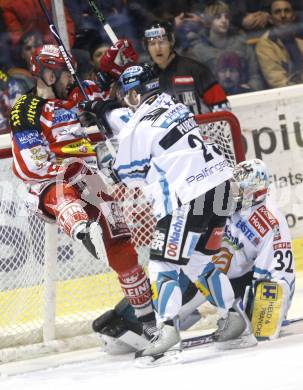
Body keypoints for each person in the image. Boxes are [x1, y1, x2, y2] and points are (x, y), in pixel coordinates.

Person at [81, 64, 257, 362]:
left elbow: (129, 176)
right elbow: (141, 127)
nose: (126, 99)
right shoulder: (174, 105)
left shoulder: (137, 127)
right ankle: (234, 319)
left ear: (134, 94)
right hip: (221, 188)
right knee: (200, 261)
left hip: (188, 197)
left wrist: (111, 157)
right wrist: (109, 114)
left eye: (127, 94)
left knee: (162, 265)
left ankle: (166, 329)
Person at [9, 44, 156, 335]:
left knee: (121, 243)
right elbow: (31, 167)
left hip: (89, 181)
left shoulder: (76, 91)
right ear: (49, 76)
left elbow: (100, 86)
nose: (71, 79)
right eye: (65, 73)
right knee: (63, 184)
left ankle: (148, 320)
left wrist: (113, 63)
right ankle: (81, 228)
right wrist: (72, 168)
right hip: (47, 188)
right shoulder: (25, 110)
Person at [91, 159, 294, 354]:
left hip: (239, 282)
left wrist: (267, 313)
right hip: (207, 270)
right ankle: (132, 320)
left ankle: (227, 316)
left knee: (190, 284)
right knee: (175, 280)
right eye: (234, 187)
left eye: (241, 190)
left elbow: (277, 274)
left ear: (256, 192)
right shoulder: (218, 201)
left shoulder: (271, 221)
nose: (235, 193)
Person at [99, 20, 230, 115]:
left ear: (171, 41)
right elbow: (131, 110)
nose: (157, 48)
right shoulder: (146, 77)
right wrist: (117, 76)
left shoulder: (196, 70)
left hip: (201, 144)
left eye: (161, 42)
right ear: (146, 47)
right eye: (152, 43)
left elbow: (223, 110)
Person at [186, 1, 264, 92]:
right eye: (218, 17)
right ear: (208, 22)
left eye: (226, 17)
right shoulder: (198, 50)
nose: (224, 20)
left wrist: (250, 88)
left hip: (242, 96)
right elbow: (195, 82)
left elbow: (255, 76)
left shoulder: (242, 45)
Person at [255, 0, 303, 88]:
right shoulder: (265, 45)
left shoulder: (300, 42)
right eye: (277, 12)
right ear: (271, 19)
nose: (283, 15)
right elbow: (278, 82)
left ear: (293, 17)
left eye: (287, 11)